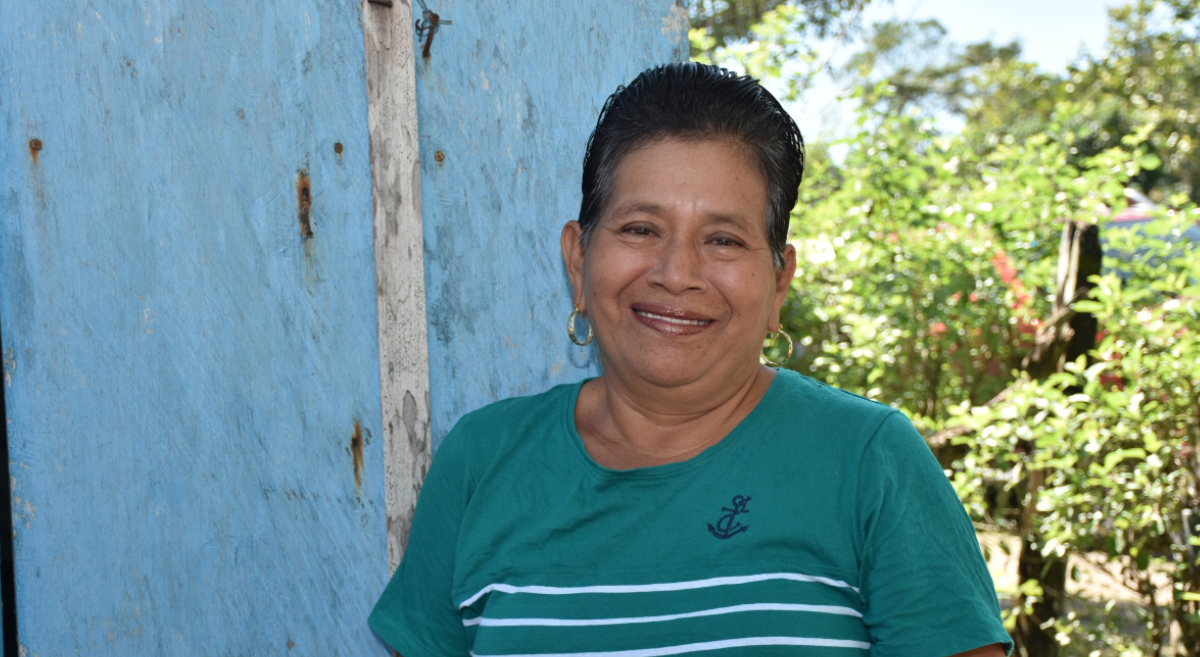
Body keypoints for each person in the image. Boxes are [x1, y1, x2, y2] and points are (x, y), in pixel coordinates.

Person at [369, 62, 1013, 657]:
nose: (677, 274)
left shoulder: (869, 460)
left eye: (724, 239)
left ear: (778, 283)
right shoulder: (483, 460)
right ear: (578, 259)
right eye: (640, 229)